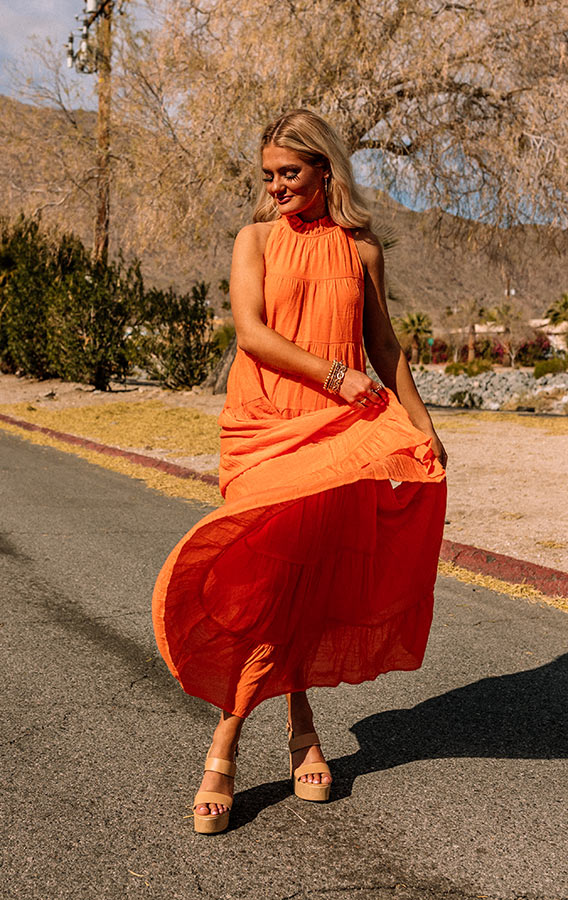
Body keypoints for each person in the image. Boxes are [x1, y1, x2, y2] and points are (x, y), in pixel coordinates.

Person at [152, 109, 448, 834]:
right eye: (269, 175)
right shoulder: (253, 240)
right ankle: (249, 733)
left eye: (291, 172)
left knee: (309, 580)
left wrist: (424, 427)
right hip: (266, 427)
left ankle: (290, 730)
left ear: (324, 170)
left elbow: (384, 344)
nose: (277, 186)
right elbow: (252, 334)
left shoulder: (361, 248)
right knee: (264, 580)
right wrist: (336, 375)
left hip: (338, 438)